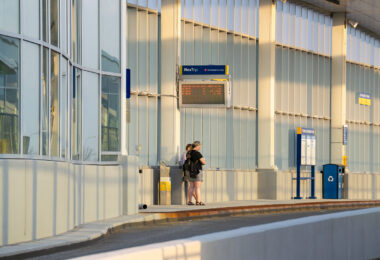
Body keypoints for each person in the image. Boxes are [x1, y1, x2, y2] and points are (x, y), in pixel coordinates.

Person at [187, 141, 206, 206]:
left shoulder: (188, 153)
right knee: (197, 187)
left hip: (190, 171)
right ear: (197, 146)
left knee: (191, 186)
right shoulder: (197, 153)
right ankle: (198, 201)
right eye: (199, 146)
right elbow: (203, 162)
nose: (200, 147)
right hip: (197, 171)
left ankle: (189, 201)